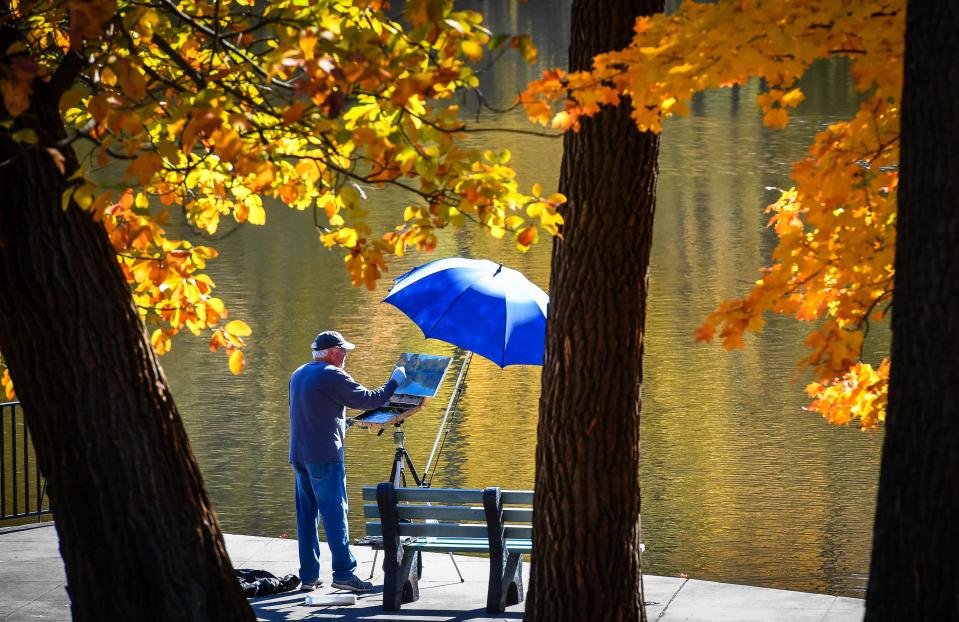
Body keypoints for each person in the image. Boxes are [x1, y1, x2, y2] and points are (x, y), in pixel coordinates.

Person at [289, 330, 406, 592]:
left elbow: (313, 411)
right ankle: (343, 573)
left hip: (299, 454)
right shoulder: (331, 373)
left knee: (307, 516)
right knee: (335, 513)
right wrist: (394, 381)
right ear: (332, 352)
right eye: (343, 351)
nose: (346, 357)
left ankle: (308, 576)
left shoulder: (299, 373)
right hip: (325, 457)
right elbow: (369, 398)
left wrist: (343, 423)